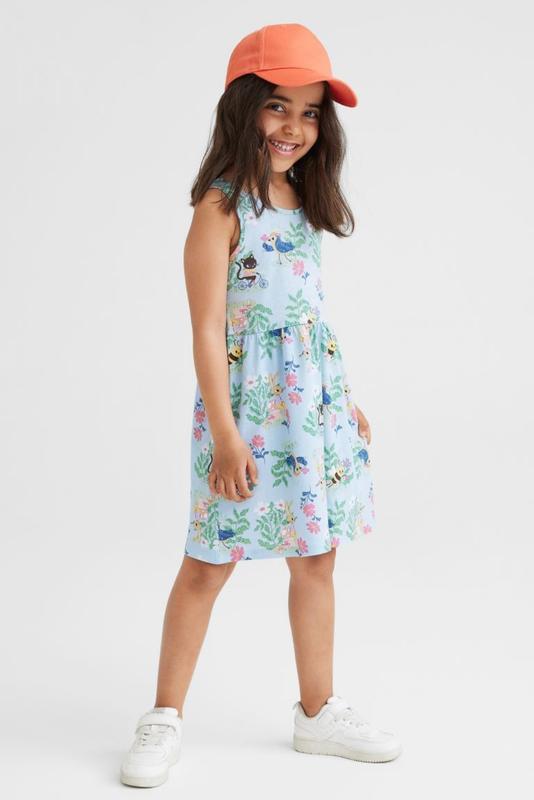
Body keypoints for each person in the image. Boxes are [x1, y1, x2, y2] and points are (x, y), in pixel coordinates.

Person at [120, 22, 402, 788]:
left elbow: (308, 318)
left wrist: (344, 400)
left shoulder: (303, 201)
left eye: (310, 113)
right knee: (208, 562)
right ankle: (164, 715)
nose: (293, 127)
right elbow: (208, 328)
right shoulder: (222, 206)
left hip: (313, 411)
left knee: (317, 557)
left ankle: (318, 712)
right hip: (243, 414)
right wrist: (225, 433)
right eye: (278, 106)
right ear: (243, 108)